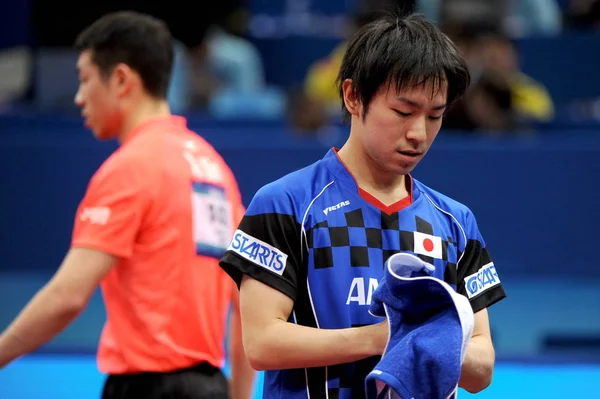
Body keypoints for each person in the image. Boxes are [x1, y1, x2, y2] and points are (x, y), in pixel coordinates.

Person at [219, 11, 506, 399]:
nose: (418, 133)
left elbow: (482, 368)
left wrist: (436, 342)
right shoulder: (285, 203)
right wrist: (384, 338)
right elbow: (262, 343)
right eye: (403, 112)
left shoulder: (456, 223)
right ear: (353, 96)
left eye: (435, 115)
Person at [0, 11, 255, 399]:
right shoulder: (214, 170)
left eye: (84, 80)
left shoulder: (130, 168)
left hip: (145, 388)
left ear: (120, 79)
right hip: (209, 386)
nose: (79, 97)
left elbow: (67, 298)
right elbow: (246, 305)